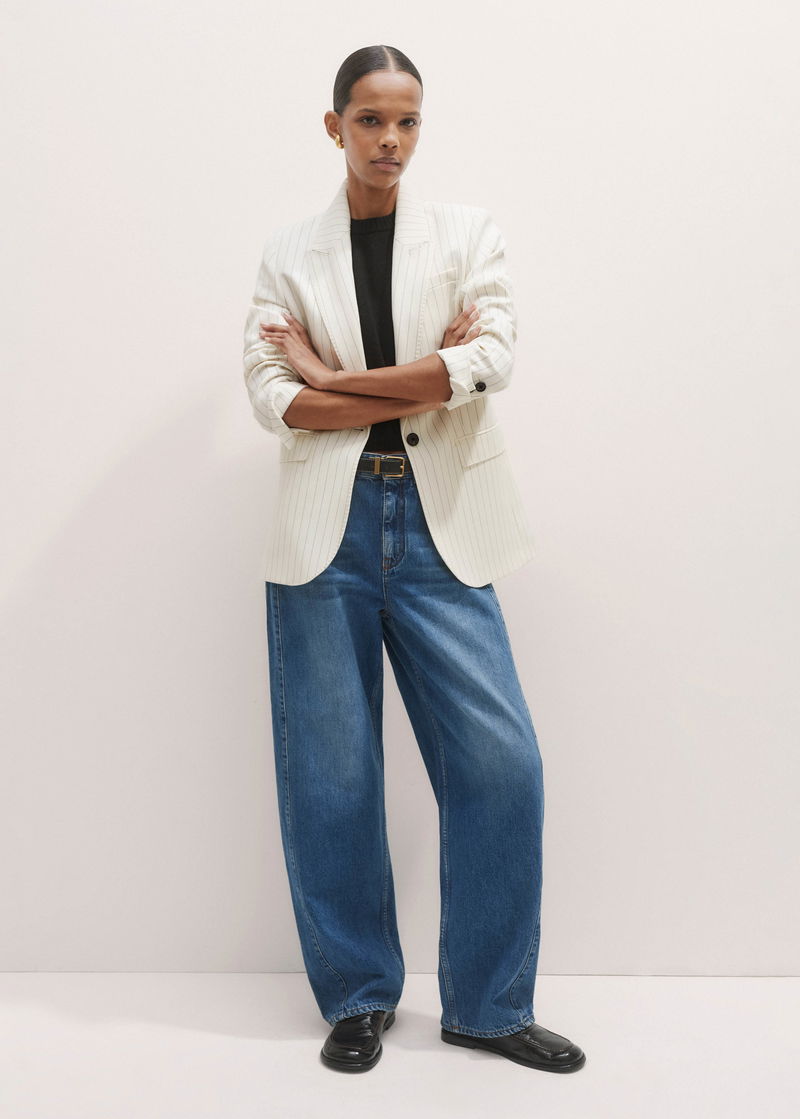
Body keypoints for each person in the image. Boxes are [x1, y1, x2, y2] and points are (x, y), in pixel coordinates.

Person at [242, 44, 586, 1076]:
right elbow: (274, 399)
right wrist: (417, 374)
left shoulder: (466, 235)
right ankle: (357, 997)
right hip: (327, 526)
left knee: (501, 765)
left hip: (443, 522)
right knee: (332, 779)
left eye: (407, 121)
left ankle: (487, 1006)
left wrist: (335, 375)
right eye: (370, 120)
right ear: (334, 126)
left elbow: (488, 363)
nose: (390, 140)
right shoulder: (287, 253)